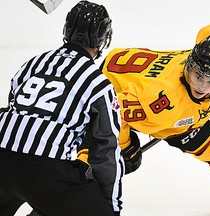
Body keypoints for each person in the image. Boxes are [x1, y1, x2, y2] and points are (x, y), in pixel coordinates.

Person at [77, 24, 210, 212]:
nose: (202, 86)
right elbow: (112, 109)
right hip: (111, 83)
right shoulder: (162, 100)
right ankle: (69, 188)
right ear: (189, 66)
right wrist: (126, 145)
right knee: (99, 153)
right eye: (197, 76)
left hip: (147, 86)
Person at [0, 1, 124, 216]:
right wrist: (111, 208)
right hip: (47, 172)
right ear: (104, 38)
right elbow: (106, 151)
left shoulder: (33, 63)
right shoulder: (98, 83)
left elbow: (15, 109)